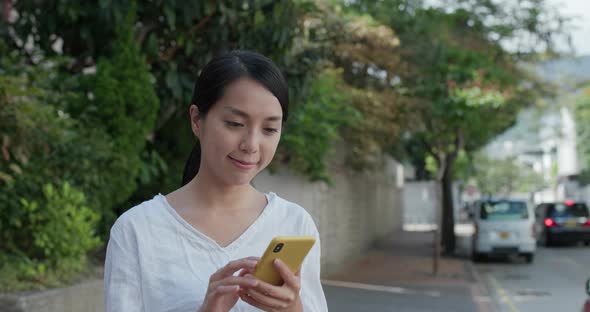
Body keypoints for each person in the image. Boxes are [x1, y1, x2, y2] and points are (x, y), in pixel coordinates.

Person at [104, 50, 328, 312]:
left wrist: (292, 308)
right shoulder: (137, 231)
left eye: (269, 129)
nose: (251, 145)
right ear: (197, 120)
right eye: (235, 123)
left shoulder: (295, 224)